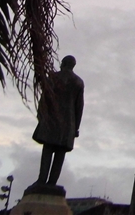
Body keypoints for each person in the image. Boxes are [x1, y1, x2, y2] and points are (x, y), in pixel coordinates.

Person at [32, 55, 84, 188]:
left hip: (52, 119)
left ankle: (41, 181)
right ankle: (52, 183)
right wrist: (76, 127)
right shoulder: (78, 82)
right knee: (60, 153)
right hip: (68, 124)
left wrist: (41, 115)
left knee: (48, 149)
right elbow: (79, 107)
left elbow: (45, 98)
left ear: (64, 63)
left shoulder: (54, 77)